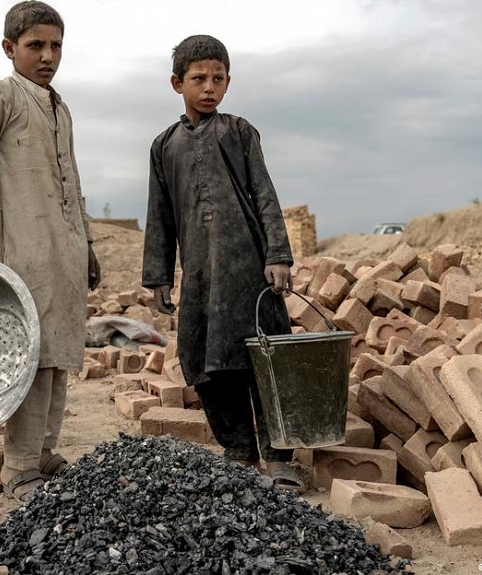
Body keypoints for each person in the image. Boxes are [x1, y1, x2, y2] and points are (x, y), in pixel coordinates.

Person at [141, 35, 304, 491]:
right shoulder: (163, 146)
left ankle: (278, 455)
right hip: (198, 275)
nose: (209, 87)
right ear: (178, 83)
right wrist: (158, 276)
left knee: (264, 359)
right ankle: (237, 448)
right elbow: (160, 215)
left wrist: (278, 255)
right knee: (207, 362)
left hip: (250, 269)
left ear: (228, 82)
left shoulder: (239, 131)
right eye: (199, 79)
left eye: (218, 79)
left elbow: (266, 195)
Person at [0, 0, 100, 503]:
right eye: (36, 45)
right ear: (9, 48)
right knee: (30, 355)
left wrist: (89, 244)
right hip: (23, 246)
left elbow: (73, 182)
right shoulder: (0, 95)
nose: (47, 55)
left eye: (56, 45)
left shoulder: (61, 106)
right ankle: (17, 465)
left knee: (59, 353)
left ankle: (43, 452)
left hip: (66, 248)